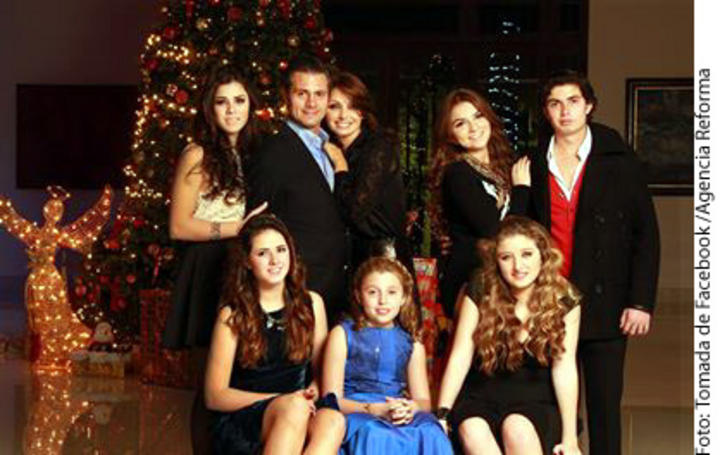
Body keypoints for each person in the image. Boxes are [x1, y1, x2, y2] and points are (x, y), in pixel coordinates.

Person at [527, 70, 660, 454]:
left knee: (604, 408)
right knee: (550, 405)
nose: (564, 111)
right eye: (555, 103)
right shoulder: (534, 163)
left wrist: (640, 301)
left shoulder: (620, 160)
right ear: (546, 112)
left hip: (607, 300)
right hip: (551, 300)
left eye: (573, 101)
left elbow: (646, 234)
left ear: (589, 106)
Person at [436, 216, 582, 455]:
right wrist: (442, 414)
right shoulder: (481, 288)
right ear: (496, 261)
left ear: (543, 255)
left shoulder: (565, 298)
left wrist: (570, 438)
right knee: (473, 430)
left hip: (536, 399)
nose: (518, 266)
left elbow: (564, 368)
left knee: (517, 429)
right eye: (506, 257)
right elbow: (460, 355)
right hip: (482, 394)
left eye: (527, 254)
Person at [205, 214, 345, 454]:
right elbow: (214, 396)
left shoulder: (312, 303)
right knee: (294, 408)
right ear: (247, 261)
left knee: (333, 421)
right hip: (245, 419)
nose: (275, 260)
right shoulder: (232, 315)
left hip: (299, 405)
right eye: (263, 253)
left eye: (281, 250)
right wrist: (283, 399)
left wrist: (310, 394)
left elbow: (321, 374)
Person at [163, 65, 267, 350]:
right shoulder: (197, 154)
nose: (232, 110)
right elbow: (178, 226)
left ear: (250, 105)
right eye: (222, 102)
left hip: (241, 263)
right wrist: (238, 228)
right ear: (210, 109)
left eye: (239, 100)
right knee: (208, 358)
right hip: (207, 264)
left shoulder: (252, 154)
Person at [247, 55, 348, 323]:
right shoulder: (272, 152)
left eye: (319, 94)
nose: (312, 103)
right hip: (296, 291)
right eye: (302, 94)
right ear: (286, 96)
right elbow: (257, 225)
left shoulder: (332, 148)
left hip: (337, 289)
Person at [321, 257, 453, 454]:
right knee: (375, 433)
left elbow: (424, 401)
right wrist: (372, 409)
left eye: (391, 292)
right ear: (358, 296)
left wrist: (411, 408)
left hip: (396, 410)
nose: (383, 300)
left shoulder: (412, 342)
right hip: (357, 410)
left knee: (431, 430)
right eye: (372, 292)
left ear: (403, 297)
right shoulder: (342, 334)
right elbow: (331, 399)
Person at [428, 88, 531, 318]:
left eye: (478, 116)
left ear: (489, 119)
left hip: (504, 275)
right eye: (460, 124)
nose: (473, 127)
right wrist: (522, 190)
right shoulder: (458, 174)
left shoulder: (506, 168)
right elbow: (493, 230)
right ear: (451, 136)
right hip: (471, 278)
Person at [322, 72, 412, 272]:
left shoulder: (379, 147)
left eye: (352, 106)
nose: (343, 115)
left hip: (383, 261)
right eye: (334, 106)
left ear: (362, 111)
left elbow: (354, 212)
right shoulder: (328, 149)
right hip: (347, 259)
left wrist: (340, 166)